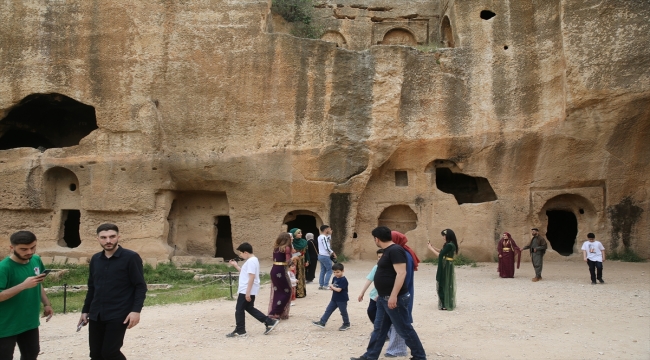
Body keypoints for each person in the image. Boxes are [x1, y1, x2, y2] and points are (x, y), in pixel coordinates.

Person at [351, 226, 427, 360]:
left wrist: (393, 296)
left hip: (393, 299)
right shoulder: (388, 250)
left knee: (404, 329)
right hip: (383, 298)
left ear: (377, 239)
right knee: (379, 329)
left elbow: (401, 273)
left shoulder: (395, 250)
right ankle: (370, 356)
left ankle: (420, 356)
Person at [78, 223, 147, 360]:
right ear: (97, 239)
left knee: (110, 353)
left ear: (118, 237)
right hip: (97, 313)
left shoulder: (131, 257)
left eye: (112, 237)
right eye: (103, 237)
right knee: (96, 355)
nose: (108, 241)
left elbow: (140, 286)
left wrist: (136, 311)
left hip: (119, 313)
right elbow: (92, 287)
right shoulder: (95, 259)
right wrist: (85, 310)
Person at [0, 231, 53, 360]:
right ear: (12, 248)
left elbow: (38, 283)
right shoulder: (3, 267)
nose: (29, 251)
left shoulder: (36, 259)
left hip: (29, 322)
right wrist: (23, 285)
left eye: (33, 247)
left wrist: (46, 303)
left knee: (31, 354)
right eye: (24, 249)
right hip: (6, 325)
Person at [226, 242, 279, 337]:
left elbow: (251, 276)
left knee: (239, 309)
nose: (240, 255)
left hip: (246, 289)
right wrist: (236, 266)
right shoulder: (253, 260)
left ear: (245, 252)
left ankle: (240, 330)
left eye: (241, 253)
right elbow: (246, 273)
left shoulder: (250, 261)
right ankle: (269, 321)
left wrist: (247, 292)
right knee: (249, 307)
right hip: (249, 289)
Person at [385, 231, 420, 358]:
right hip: (397, 292)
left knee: (400, 321)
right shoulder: (401, 253)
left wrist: (394, 293)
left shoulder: (403, 255)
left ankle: (398, 349)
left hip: (401, 293)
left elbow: (404, 276)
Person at [311, 262, 350, 331]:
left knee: (343, 312)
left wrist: (332, 287)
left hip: (342, 299)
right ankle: (322, 322)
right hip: (334, 298)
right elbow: (334, 286)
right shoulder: (335, 278)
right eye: (334, 272)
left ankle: (346, 324)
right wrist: (331, 288)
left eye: (338, 272)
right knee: (328, 310)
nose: (336, 274)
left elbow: (338, 289)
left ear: (342, 271)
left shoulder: (343, 280)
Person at [427, 229, 458, 311]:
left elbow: (440, 255)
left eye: (444, 235)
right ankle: (446, 302)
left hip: (446, 265)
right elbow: (442, 251)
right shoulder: (450, 244)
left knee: (443, 282)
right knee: (445, 282)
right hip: (447, 264)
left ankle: (445, 303)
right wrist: (433, 247)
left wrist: (430, 249)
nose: (443, 237)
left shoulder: (449, 245)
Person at [268, 232, 293, 320]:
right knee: (287, 291)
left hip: (274, 270)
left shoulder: (276, 248)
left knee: (277, 291)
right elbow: (288, 261)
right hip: (281, 270)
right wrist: (293, 259)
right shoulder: (286, 248)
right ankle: (275, 312)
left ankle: (276, 312)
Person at [358, 249, 384, 323]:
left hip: (384, 295)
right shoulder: (376, 267)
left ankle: (382, 331)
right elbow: (369, 279)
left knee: (384, 314)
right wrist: (362, 293)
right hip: (375, 295)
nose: (380, 259)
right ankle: (378, 329)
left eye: (382, 257)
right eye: (379, 257)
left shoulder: (390, 268)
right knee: (371, 311)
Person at [289, 228, 308, 298]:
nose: (301, 234)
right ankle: (294, 293)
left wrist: (307, 260)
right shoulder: (291, 243)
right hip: (293, 262)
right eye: (298, 233)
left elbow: (306, 252)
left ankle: (301, 292)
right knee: (293, 275)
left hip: (301, 261)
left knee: (301, 275)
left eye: (301, 232)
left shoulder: (304, 242)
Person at [318, 225, 336, 290]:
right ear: (325, 230)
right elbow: (327, 247)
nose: (330, 230)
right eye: (329, 229)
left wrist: (330, 234)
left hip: (320, 255)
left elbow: (328, 240)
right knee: (330, 270)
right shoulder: (324, 237)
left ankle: (321, 285)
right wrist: (332, 252)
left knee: (323, 270)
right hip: (325, 255)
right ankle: (325, 285)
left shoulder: (320, 237)